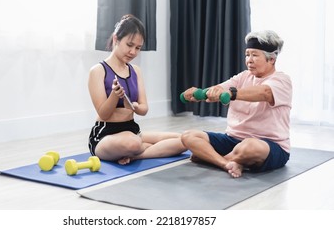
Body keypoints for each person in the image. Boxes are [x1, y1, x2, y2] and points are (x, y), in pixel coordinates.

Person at [180, 30, 292, 178]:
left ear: (271, 59)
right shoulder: (243, 76)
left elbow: (264, 92)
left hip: (269, 145)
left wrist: (233, 94)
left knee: (249, 146)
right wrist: (200, 93)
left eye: (254, 55)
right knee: (189, 136)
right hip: (233, 139)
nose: (249, 60)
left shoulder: (281, 80)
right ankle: (227, 163)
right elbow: (220, 89)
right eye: (247, 54)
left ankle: (214, 158)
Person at [88, 14, 186, 165]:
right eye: (129, 45)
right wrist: (115, 96)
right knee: (132, 144)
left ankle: (136, 155)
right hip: (105, 135)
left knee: (183, 140)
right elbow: (103, 114)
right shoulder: (98, 71)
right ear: (116, 39)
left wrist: (133, 106)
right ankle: (142, 148)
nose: (133, 52)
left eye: (138, 48)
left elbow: (144, 109)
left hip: (132, 131)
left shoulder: (136, 70)